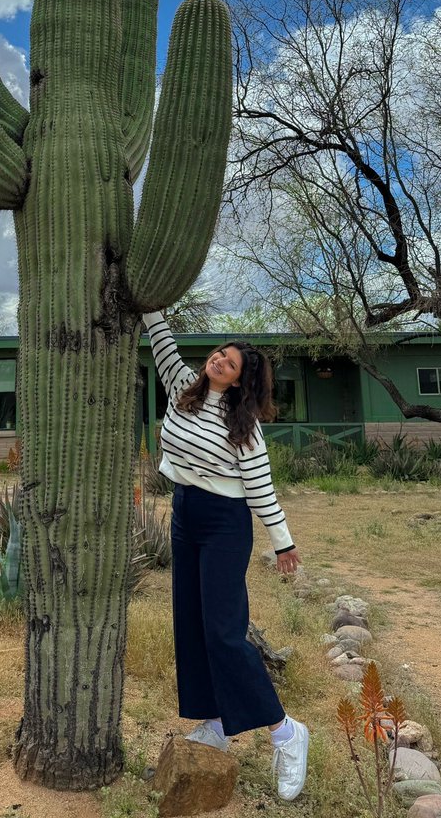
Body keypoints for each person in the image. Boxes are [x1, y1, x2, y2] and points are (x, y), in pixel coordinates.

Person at [141, 311, 309, 802]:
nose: (218, 360)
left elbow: (260, 488)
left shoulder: (244, 426)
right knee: (190, 622)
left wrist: (283, 541)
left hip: (224, 523)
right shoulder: (181, 387)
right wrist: (152, 306)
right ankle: (213, 722)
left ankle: (285, 732)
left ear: (241, 380)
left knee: (223, 630)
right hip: (184, 511)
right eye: (219, 353)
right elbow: (161, 342)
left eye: (230, 362)